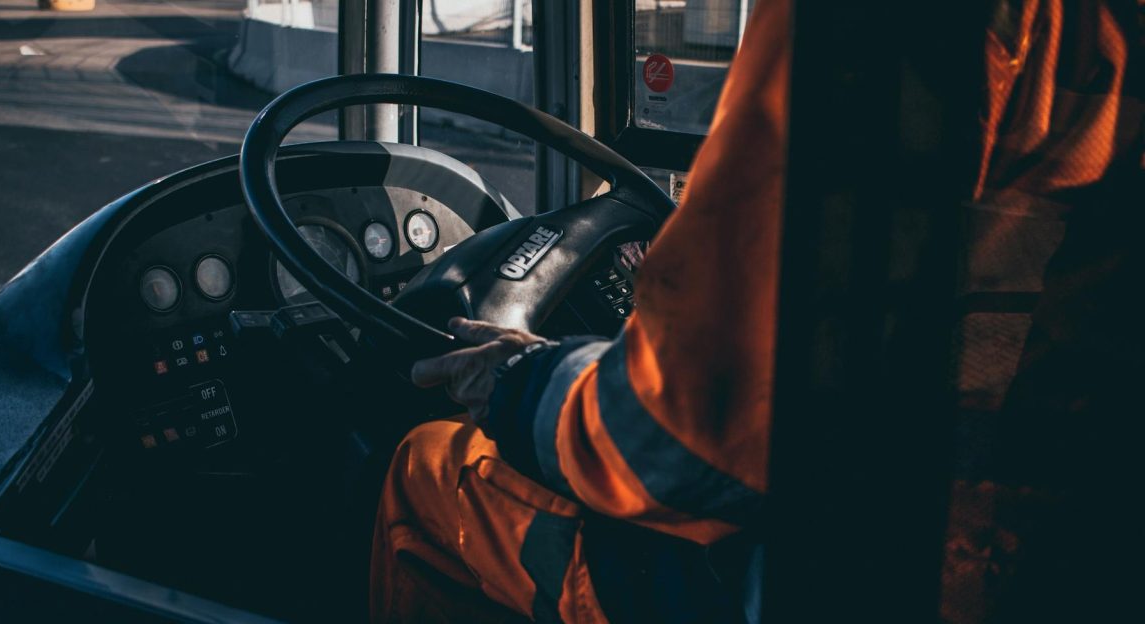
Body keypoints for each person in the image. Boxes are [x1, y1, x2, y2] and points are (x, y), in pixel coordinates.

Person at [370, 0, 1145, 621]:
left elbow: (679, 441)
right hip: (1065, 553)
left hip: (865, 569)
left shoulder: (871, 28)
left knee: (428, 470)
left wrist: (522, 379)